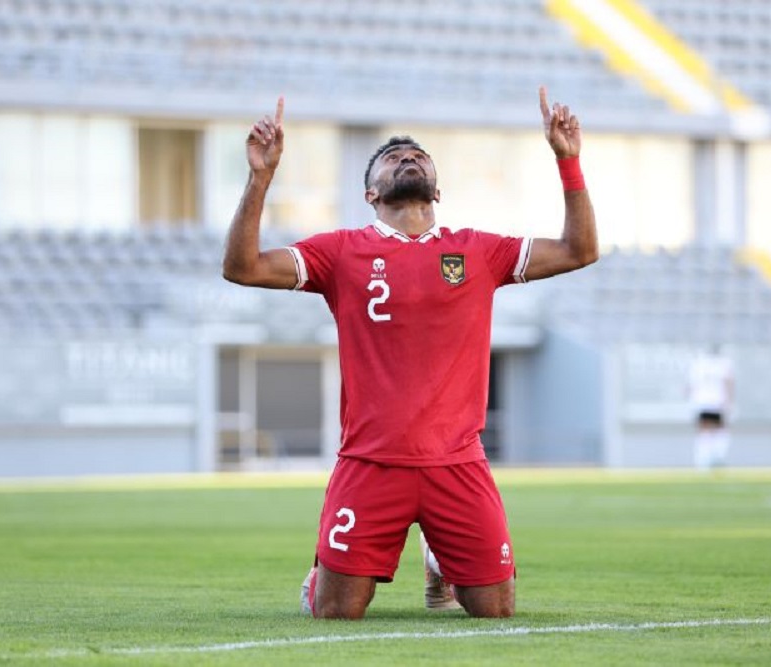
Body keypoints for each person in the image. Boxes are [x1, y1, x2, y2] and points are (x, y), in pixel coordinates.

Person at [222, 87, 598, 619]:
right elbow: (243, 268)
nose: (407, 158)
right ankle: (325, 572)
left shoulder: (478, 251)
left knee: (494, 611)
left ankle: (441, 560)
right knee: (336, 613)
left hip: (458, 462)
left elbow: (580, 251)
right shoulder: (340, 252)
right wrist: (260, 178)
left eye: (418, 156)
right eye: (393, 158)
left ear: (436, 190)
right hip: (370, 462)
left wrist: (568, 162)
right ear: (370, 194)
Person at [686, 344, 735, 472]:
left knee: (705, 430)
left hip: (702, 402)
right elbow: (728, 382)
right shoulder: (723, 363)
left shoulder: (698, 363)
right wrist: (729, 401)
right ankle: (717, 458)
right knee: (719, 429)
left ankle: (703, 461)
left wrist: (692, 402)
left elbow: (690, 386)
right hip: (717, 401)